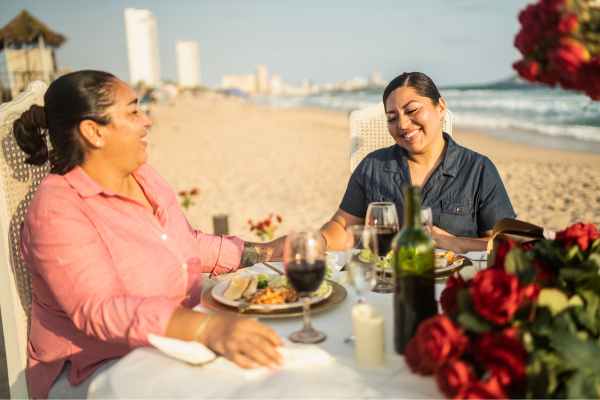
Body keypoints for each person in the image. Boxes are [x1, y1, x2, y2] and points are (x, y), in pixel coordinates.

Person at [14, 70, 285, 399]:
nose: (148, 120)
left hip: (170, 342)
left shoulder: (142, 174)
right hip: (94, 369)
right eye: (132, 112)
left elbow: (185, 243)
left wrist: (271, 252)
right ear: (93, 132)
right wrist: (208, 328)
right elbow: (101, 309)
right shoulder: (56, 209)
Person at [318, 72, 516, 254]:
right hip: (386, 285)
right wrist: (318, 242)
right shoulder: (372, 166)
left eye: (412, 110)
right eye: (392, 118)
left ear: (440, 108)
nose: (402, 124)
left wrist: (457, 243)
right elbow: (342, 228)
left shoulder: (478, 170)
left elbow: (505, 244)